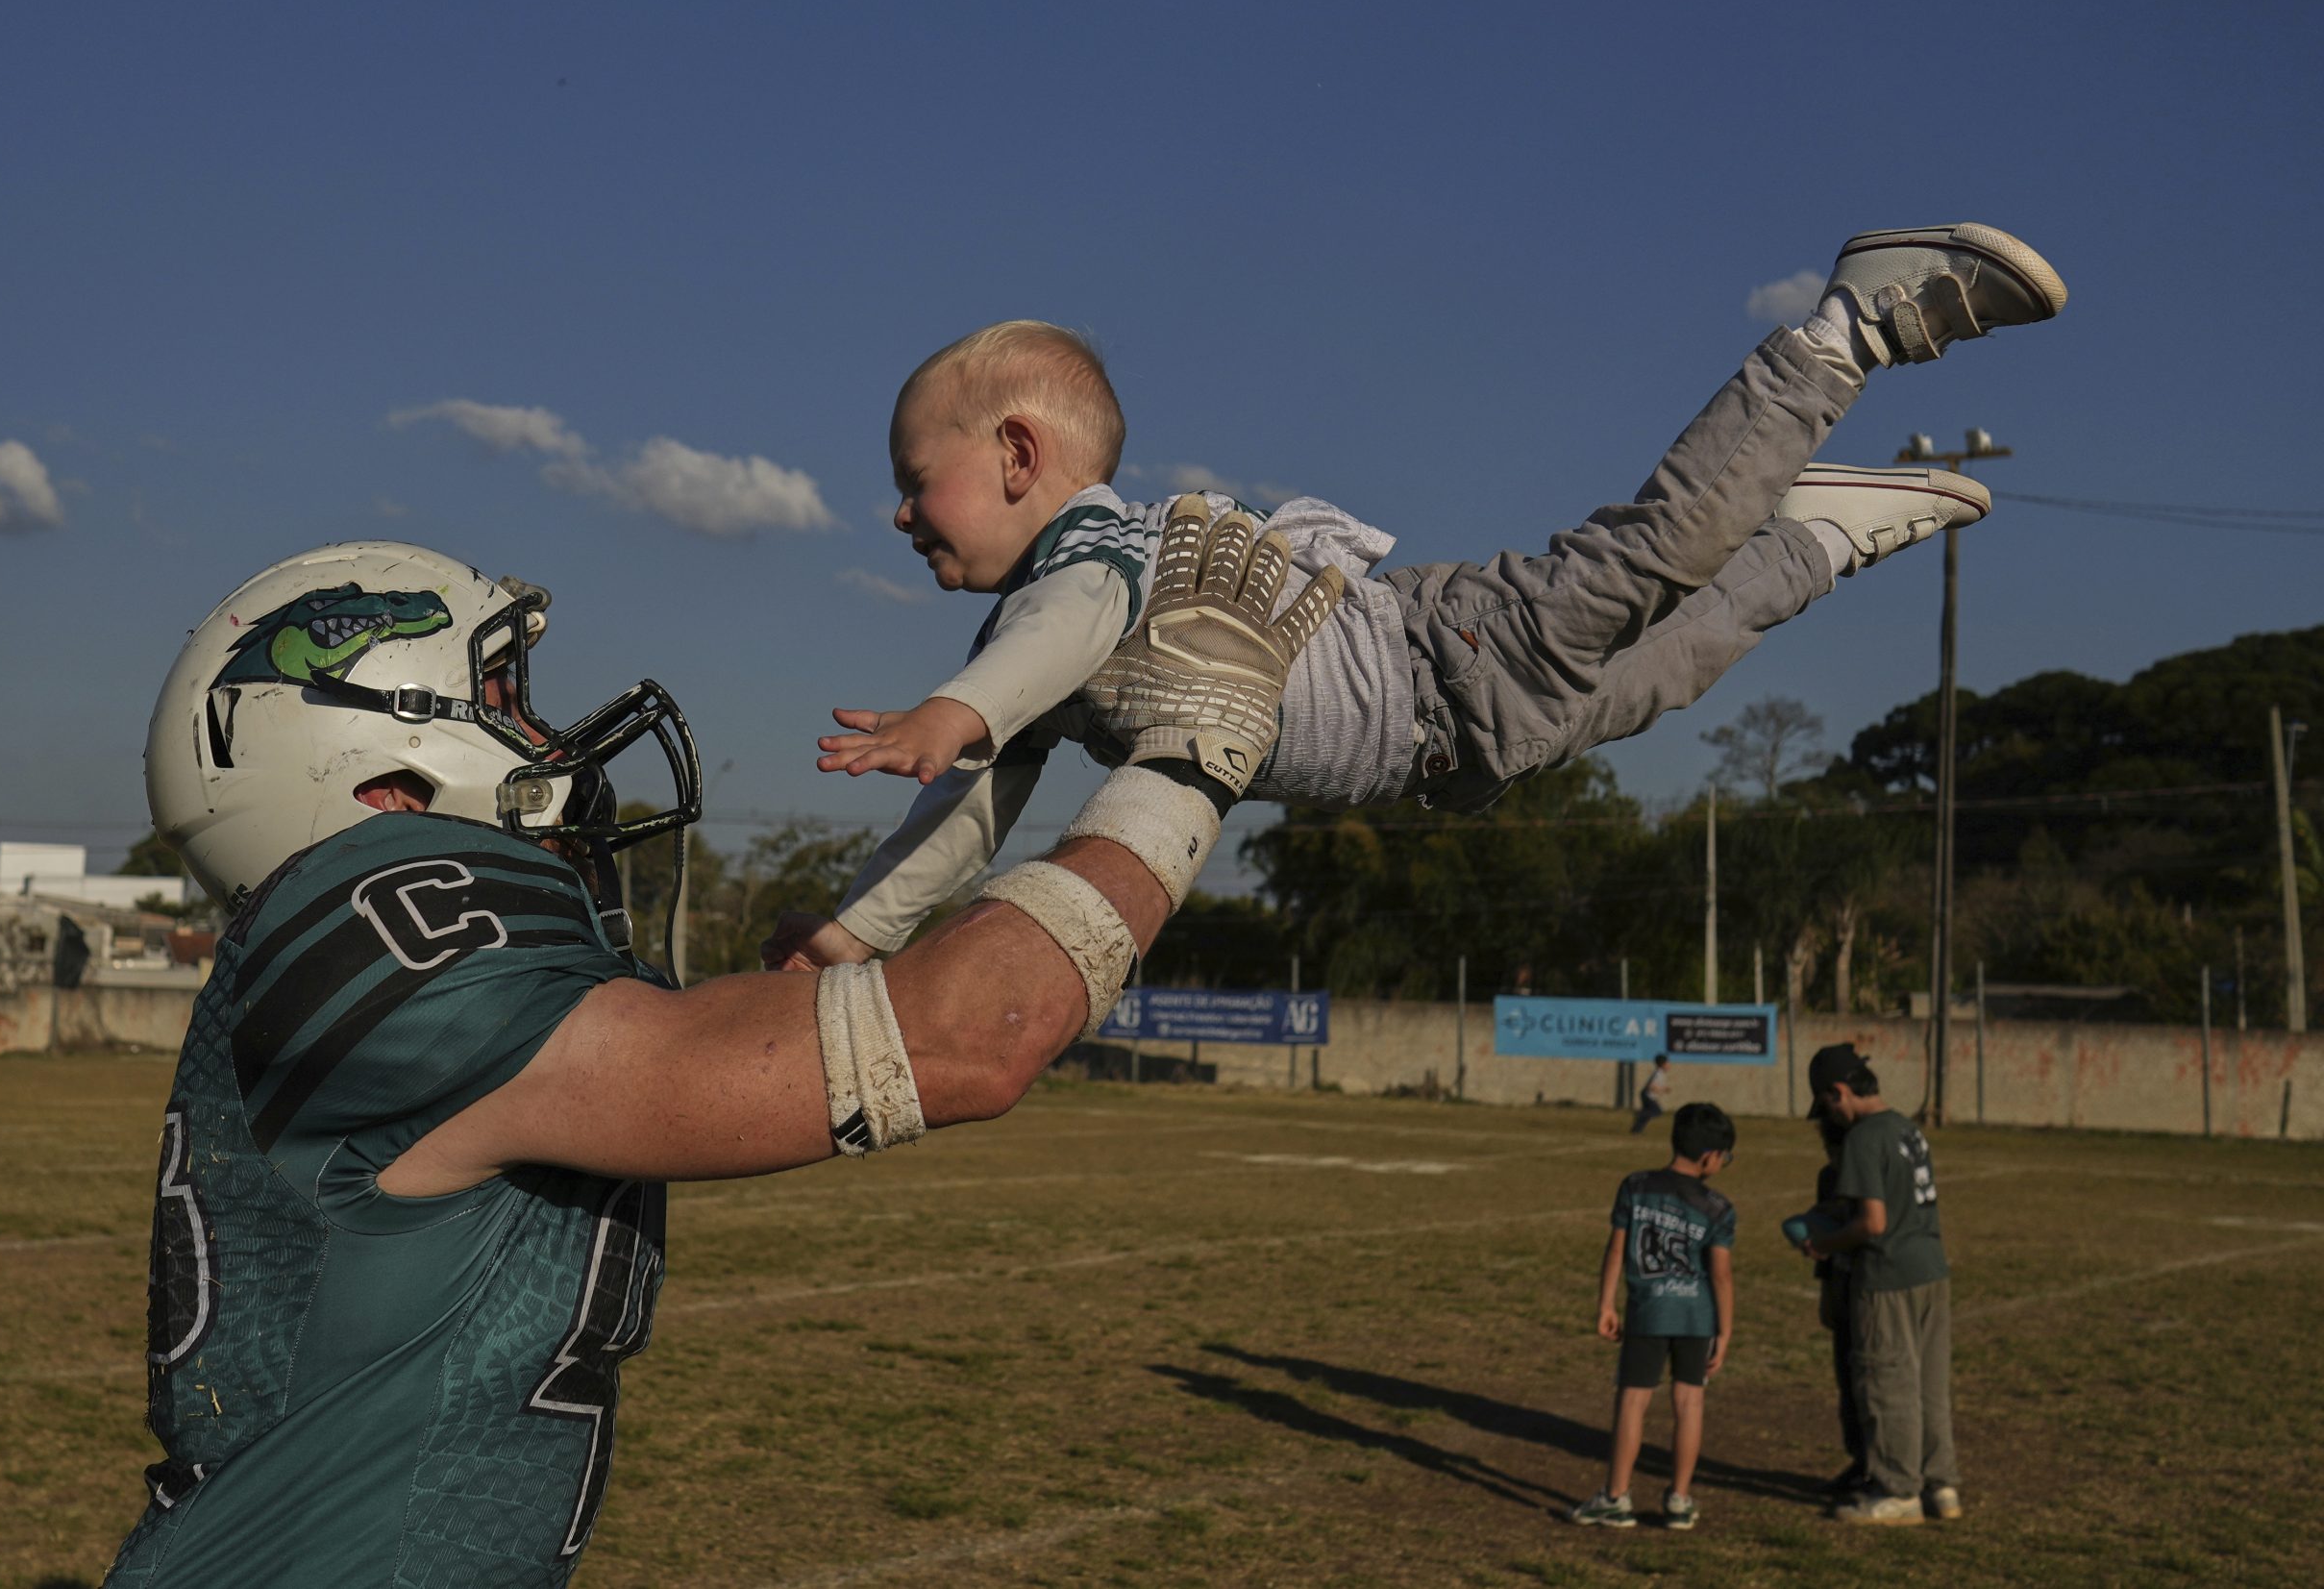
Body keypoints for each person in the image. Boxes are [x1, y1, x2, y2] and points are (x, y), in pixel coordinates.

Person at [105, 509, 1337, 1586]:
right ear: (382, 785)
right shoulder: (362, 921)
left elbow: (728, 1054)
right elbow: (969, 1038)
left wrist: (847, 943)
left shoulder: (351, 962)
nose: (548, 736)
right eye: (502, 700)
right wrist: (1190, 757)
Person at [762, 224, 2068, 970]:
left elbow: (1068, 629)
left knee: (1663, 552)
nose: (900, 514)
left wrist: (955, 707)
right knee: (1687, 658)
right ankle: (1820, 536)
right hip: (1468, 748)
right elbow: (967, 813)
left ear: (1017, 456)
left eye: (914, 481)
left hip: (1450, 656)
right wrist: (856, 931)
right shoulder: (1028, 653)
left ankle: (1852, 322)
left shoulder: (1086, 555)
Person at [1800, 1043, 1960, 1526]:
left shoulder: (1864, 1137)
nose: (1830, 1114)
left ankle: (1897, 1490)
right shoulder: (1907, 1128)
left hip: (1888, 1275)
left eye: (1827, 1102)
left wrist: (1824, 1243)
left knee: (1887, 1381)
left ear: (1839, 1091)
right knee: (1929, 1384)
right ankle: (1941, 1485)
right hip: (1930, 1267)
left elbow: (1873, 1222)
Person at [1570, 1102, 1738, 1531]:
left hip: (1649, 1311)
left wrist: (1606, 1304)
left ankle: (1615, 1497)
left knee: (1633, 1400)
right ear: (1710, 1157)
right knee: (1690, 1402)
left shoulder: (1637, 1185)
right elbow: (1721, 1275)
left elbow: (1616, 1248)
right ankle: (1679, 1499)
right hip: (1696, 1316)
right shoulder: (1718, 1207)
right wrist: (1724, 1330)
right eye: (1726, 1157)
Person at [1810, 1112, 1868, 1499]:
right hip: (1841, 1284)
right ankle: (1859, 1459)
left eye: (1840, 1151)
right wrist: (1825, 1288)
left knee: (1870, 1379)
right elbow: (1822, 1237)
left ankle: (1879, 1462)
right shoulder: (1828, 1178)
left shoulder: (1869, 1177)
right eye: (1828, 1151)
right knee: (1846, 1379)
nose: (1834, 1160)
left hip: (1871, 1289)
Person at [1631, 1053, 1671, 1135]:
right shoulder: (1658, 1074)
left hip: (1646, 1095)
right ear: (1662, 1064)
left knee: (1647, 1115)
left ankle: (1636, 1130)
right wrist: (1663, 1089)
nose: (1669, 1065)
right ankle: (1639, 1114)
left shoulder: (1659, 1073)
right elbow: (1650, 1086)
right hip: (1647, 1095)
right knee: (1657, 1111)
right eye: (1667, 1063)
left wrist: (1663, 1088)